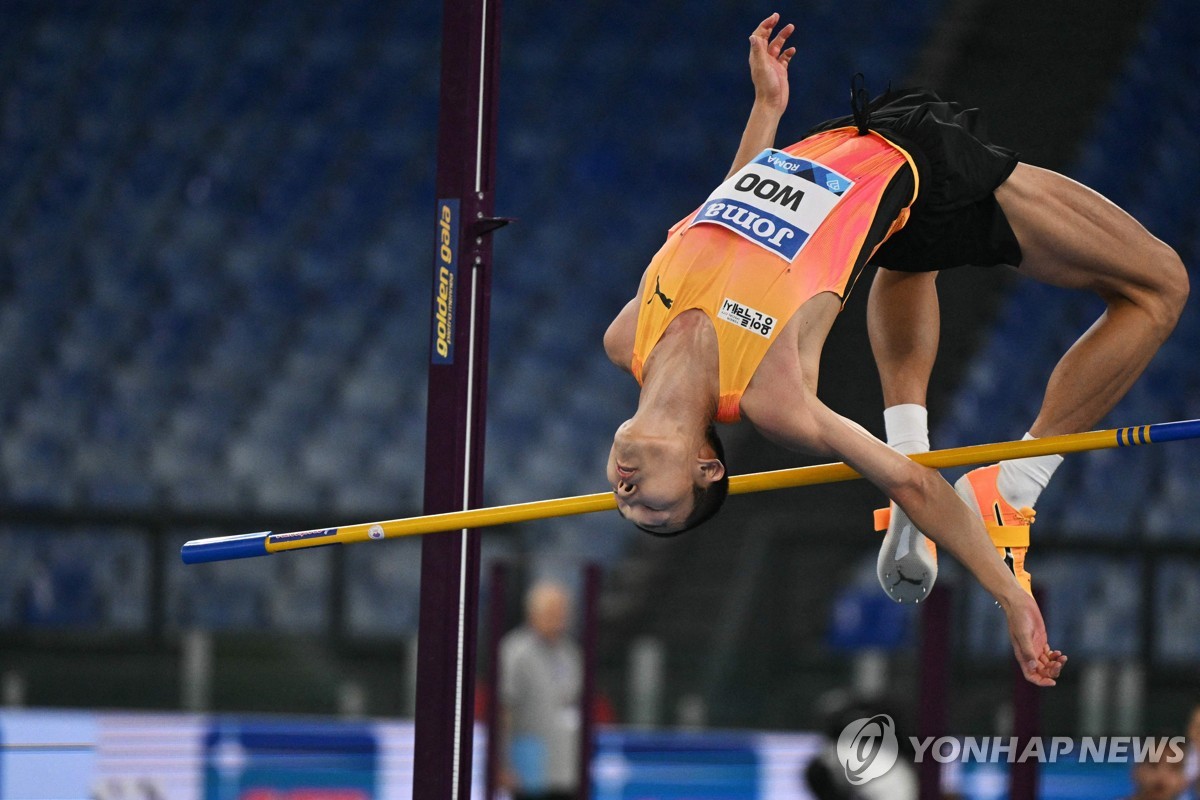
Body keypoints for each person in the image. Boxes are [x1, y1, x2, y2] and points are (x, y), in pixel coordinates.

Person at [602, 10, 1180, 686]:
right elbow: (910, 488)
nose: (628, 497)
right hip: (923, 168)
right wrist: (1011, 596)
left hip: (850, 143)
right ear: (707, 469)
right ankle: (1017, 482)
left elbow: (720, 219)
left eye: (627, 506)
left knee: (906, 254)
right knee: (1161, 284)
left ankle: (914, 433)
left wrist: (766, 108)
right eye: (655, 511)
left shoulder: (628, 335)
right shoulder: (770, 396)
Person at [498, 581, 582, 800]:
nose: (558, 617)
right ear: (532, 613)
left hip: (566, 768)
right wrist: (502, 763)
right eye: (551, 611)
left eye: (562, 611)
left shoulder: (570, 653)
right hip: (530, 767)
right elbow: (503, 709)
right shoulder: (515, 651)